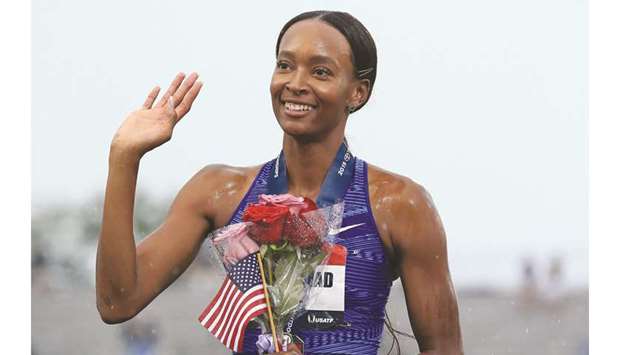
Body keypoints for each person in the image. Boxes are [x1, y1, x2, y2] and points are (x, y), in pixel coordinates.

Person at [96, 10, 463, 355]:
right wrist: (124, 159)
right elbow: (117, 303)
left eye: (320, 72)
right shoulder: (218, 192)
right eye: (285, 65)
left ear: (357, 92)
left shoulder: (400, 205)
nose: (295, 83)